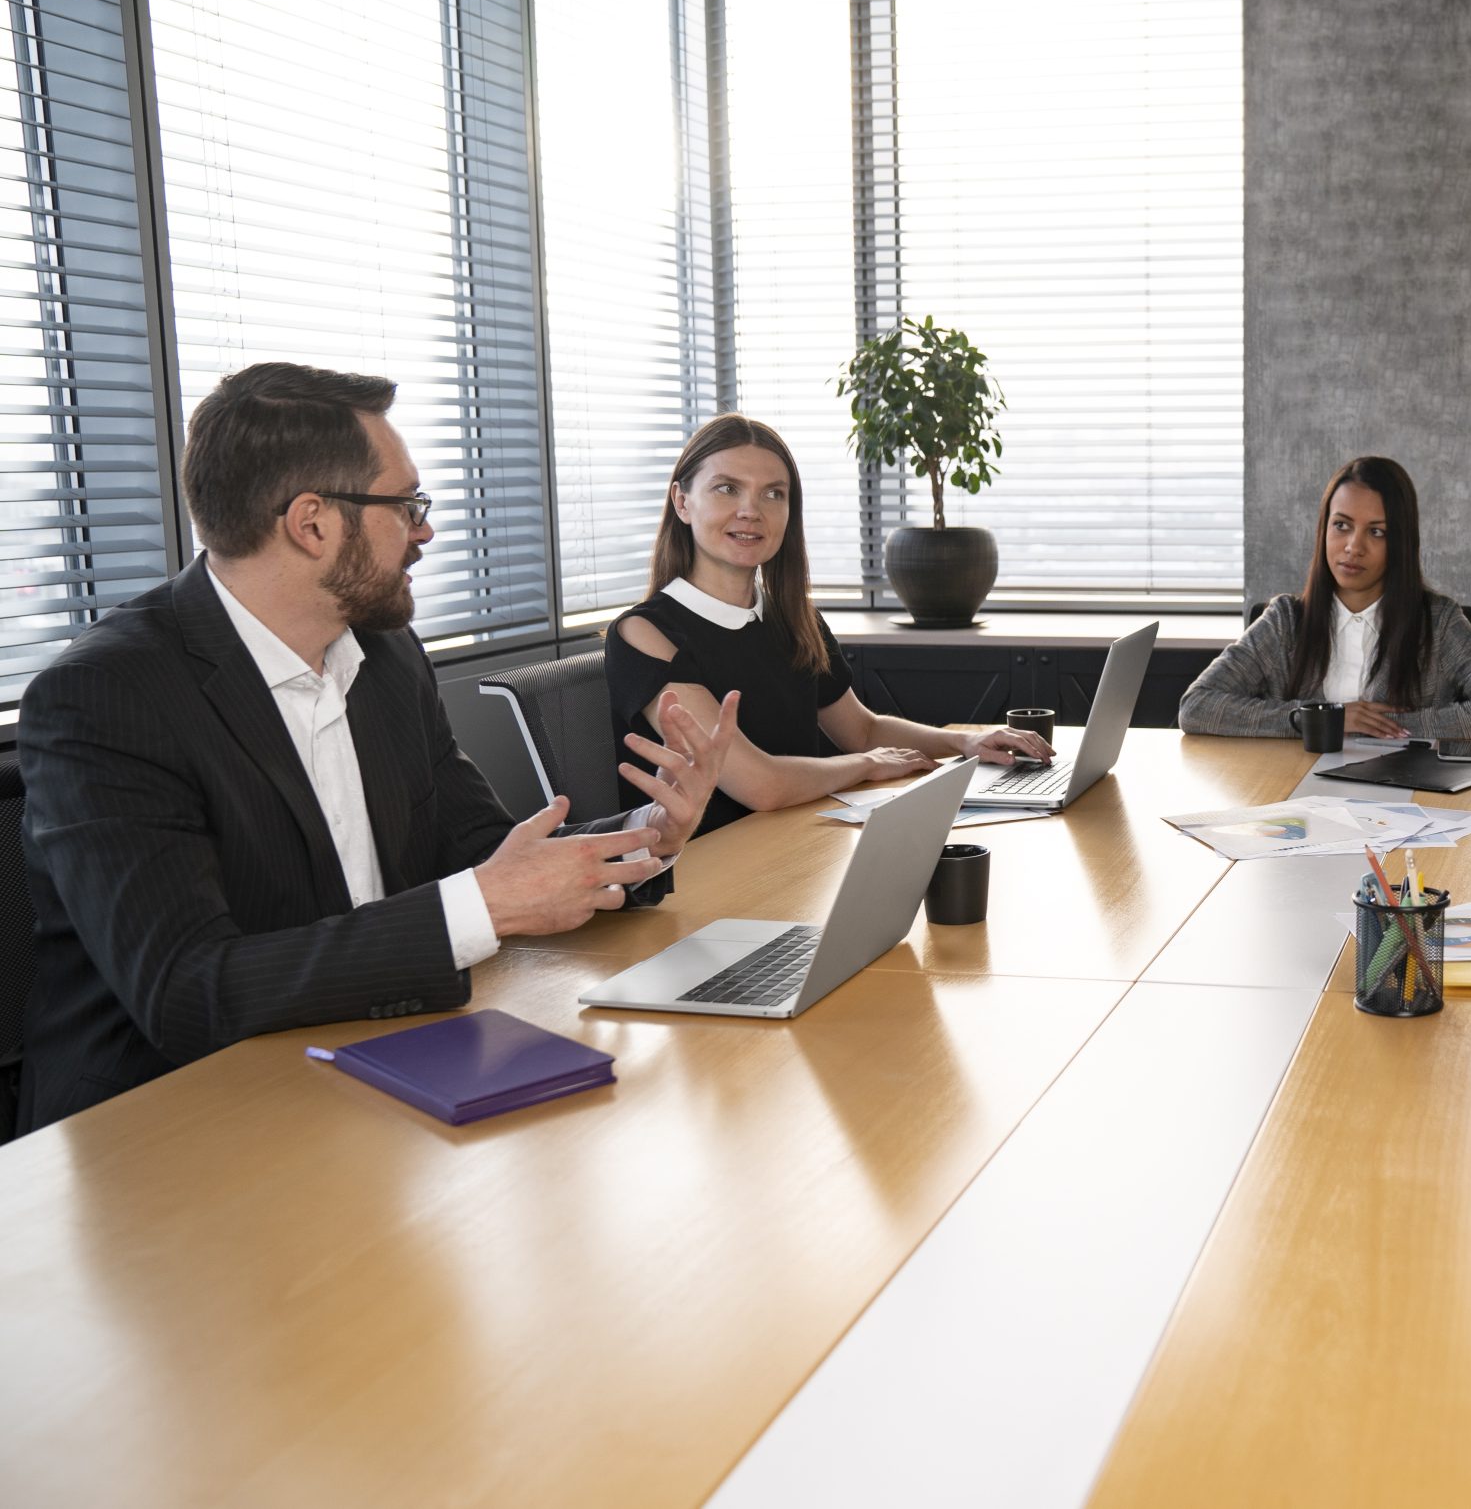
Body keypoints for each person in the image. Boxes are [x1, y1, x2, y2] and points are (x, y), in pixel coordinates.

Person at [15, 362, 737, 1133]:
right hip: (161, 1128)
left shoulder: (387, 657)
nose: (426, 529)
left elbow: (483, 854)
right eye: (406, 504)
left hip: (368, 1063)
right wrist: (486, 901)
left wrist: (642, 838)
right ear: (313, 522)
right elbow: (189, 991)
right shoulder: (107, 697)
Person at [606, 414, 1051, 836]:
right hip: (709, 869)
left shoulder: (794, 619)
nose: (751, 511)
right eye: (727, 489)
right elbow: (761, 785)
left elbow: (862, 731)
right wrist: (868, 765)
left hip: (798, 842)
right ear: (682, 502)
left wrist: (966, 743)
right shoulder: (645, 634)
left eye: (773, 494)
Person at [1177, 455, 1471, 739]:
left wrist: (1389, 727)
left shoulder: (1438, 622)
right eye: (1341, 525)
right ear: (1324, 529)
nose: (1353, 547)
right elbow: (1196, 707)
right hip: (1294, 803)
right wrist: (1317, 720)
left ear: (1400, 543)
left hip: (1403, 804)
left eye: (1376, 532)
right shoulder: (1285, 620)